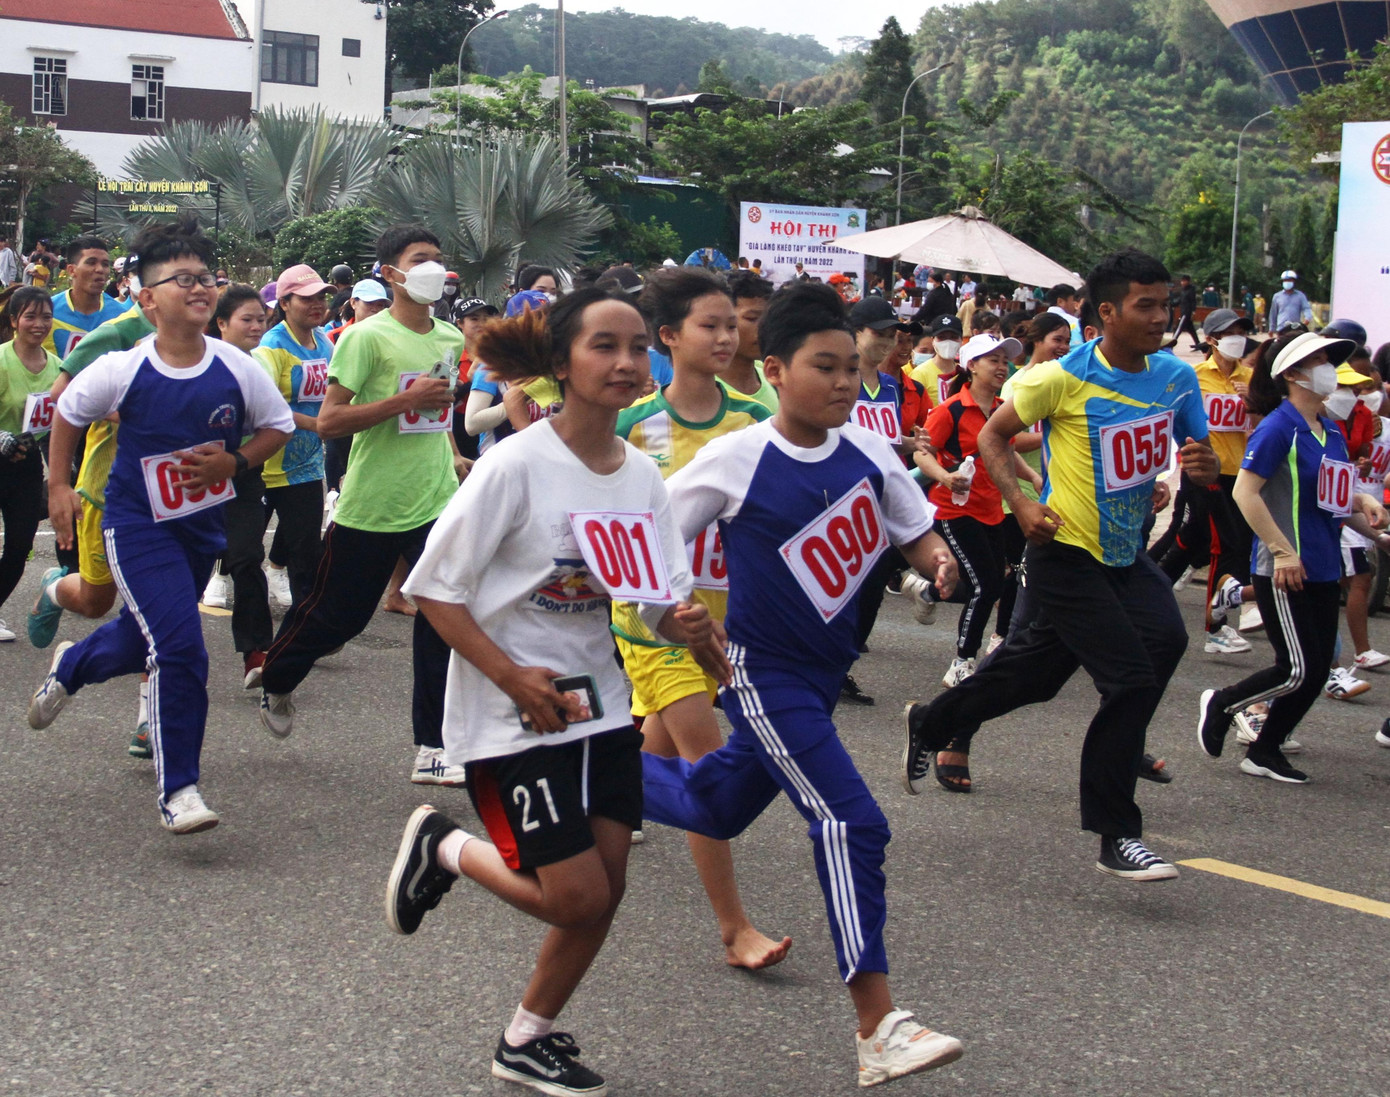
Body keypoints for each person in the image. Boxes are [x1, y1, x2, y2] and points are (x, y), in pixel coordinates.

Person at [383, 289, 718, 1097]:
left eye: (636, 347)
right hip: (510, 712)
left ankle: (526, 1037)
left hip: (600, 705)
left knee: (607, 889)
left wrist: (688, 625)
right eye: (604, 345)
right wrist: (509, 674)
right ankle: (445, 846)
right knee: (575, 895)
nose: (626, 362)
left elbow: (654, 600)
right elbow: (434, 590)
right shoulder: (516, 464)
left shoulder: (641, 474)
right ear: (561, 363)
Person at [636, 281, 964, 1087]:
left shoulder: (871, 452)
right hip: (761, 672)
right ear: (776, 370)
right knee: (852, 822)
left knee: (716, 804)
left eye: (853, 366)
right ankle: (878, 1024)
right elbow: (651, 542)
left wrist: (937, 563)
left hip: (821, 677)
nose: (846, 381)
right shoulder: (737, 457)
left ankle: (572, 767)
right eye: (826, 366)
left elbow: (915, 529)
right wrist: (673, 615)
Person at [902, 249, 1220, 881]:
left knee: (1054, 672)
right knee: (1129, 680)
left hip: (1125, 552)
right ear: (1107, 312)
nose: (1161, 318)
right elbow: (991, 437)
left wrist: (1199, 470)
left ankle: (933, 720)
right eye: (1146, 306)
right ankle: (1115, 833)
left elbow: (1197, 453)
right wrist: (1021, 502)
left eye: (1166, 306)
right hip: (1064, 550)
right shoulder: (1060, 378)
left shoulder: (1175, 378)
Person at [28, 221, 294, 832]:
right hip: (135, 525)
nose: (198, 287)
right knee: (179, 647)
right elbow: (68, 413)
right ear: (147, 298)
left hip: (201, 529)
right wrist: (59, 487)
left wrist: (235, 462)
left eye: (205, 277)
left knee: (136, 639)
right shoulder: (123, 367)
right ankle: (180, 791)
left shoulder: (236, 367)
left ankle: (70, 667)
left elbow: (277, 426)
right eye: (182, 279)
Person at [612, 267, 787, 970]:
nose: (726, 337)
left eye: (731, 325)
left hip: (727, 619)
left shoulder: (754, 418)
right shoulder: (632, 423)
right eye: (708, 325)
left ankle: (580, 811)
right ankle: (734, 927)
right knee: (708, 770)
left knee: (649, 754)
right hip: (651, 619)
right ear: (669, 336)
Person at [256, 225, 469, 788]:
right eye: (420, 259)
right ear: (391, 273)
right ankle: (277, 674)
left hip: (435, 499)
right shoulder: (364, 338)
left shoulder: (450, 336)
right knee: (340, 618)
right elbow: (329, 422)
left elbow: (436, 410)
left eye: (438, 258)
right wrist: (403, 400)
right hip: (373, 502)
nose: (433, 269)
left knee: (444, 615)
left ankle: (433, 746)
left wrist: (452, 454)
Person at [1198, 331, 1387, 782]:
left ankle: (1264, 751)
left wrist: (1370, 516)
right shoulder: (1277, 427)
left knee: (1316, 671)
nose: (1330, 371)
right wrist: (1282, 553)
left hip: (1322, 565)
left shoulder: (1331, 430)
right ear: (1292, 373)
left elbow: (1333, 501)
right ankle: (1223, 702)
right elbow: (1245, 492)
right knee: (1297, 668)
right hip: (1284, 569)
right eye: (1320, 361)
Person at [909, 333, 1040, 693]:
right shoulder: (951, 409)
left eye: (1005, 361)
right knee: (987, 585)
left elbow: (1005, 449)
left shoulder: (1002, 408)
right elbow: (922, 452)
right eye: (993, 360)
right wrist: (944, 477)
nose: (1002, 367)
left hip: (991, 509)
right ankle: (962, 662)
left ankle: (928, 591)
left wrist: (1031, 476)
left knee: (991, 581)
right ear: (972, 366)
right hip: (954, 511)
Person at [228, 267, 332, 685]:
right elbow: (267, 409)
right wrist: (318, 424)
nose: (317, 304)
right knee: (243, 553)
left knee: (308, 554)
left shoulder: (326, 343)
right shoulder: (270, 347)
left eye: (321, 296)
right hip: (263, 464)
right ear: (284, 304)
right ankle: (250, 636)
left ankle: (300, 638)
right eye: (306, 298)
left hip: (305, 466)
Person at [1154, 308, 1258, 656]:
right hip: (1203, 473)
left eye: (1242, 332)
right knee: (1221, 546)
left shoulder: (1252, 379)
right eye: (1230, 333)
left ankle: (1139, 596)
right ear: (1211, 339)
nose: (1237, 339)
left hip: (1241, 475)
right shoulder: (1194, 376)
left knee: (1190, 542)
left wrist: (1253, 403)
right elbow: (1171, 416)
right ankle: (1215, 629)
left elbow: (1264, 425)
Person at [200, 285, 270, 612]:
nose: (256, 327)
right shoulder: (199, 362)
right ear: (222, 323)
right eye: (247, 320)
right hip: (198, 471)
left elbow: (275, 423)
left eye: (261, 319)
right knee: (189, 554)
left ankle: (255, 640)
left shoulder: (260, 365)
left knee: (248, 556)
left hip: (245, 469)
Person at [0, 288, 62, 641]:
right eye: (30, 316)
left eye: (46, 317)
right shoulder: (1, 360)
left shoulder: (57, 367)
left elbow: (59, 422)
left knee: (20, 546)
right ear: (14, 321)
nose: (39, 324)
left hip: (25, 467)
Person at [44, 236, 137, 359]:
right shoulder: (48, 312)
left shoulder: (122, 316)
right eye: (91, 262)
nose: (100, 269)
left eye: (105, 264)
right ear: (71, 270)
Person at [721, 269, 777, 412]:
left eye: (769, 318)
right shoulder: (704, 392)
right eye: (752, 318)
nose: (764, 327)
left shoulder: (774, 377)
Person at [910, 315, 963, 407]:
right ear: (933, 340)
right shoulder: (920, 374)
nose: (948, 342)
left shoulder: (963, 373)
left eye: (953, 337)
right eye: (941, 337)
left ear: (961, 340)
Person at [327, 278, 390, 345]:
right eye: (369, 303)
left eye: (380, 305)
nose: (375, 309)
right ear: (353, 303)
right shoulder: (335, 337)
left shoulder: (388, 336)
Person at [1044, 283, 1083, 348]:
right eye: (1074, 301)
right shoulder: (1075, 322)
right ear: (1060, 302)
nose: (1076, 305)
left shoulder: (1036, 319)